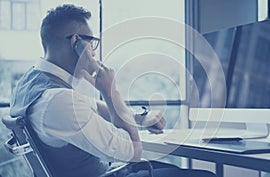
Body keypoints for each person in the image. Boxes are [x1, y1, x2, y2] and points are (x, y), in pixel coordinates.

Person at [10, 4, 217, 177]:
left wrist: (139, 117)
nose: (93, 51)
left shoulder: (33, 84)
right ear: (77, 42)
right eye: (92, 43)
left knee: (172, 170)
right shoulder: (58, 101)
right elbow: (133, 151)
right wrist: (110, 91)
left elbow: (95, 107)